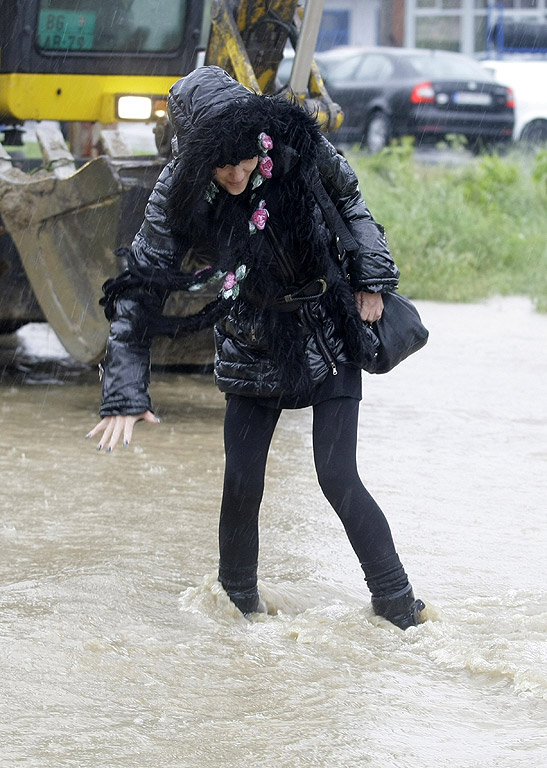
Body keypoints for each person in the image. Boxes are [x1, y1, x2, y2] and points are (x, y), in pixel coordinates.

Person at [86, 66, 426, 630]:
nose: (238, 172)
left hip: (325, 327)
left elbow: (351, 202)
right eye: (223, 165)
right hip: (250, 339)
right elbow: (140, 287)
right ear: (199, 161)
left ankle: (398, 608)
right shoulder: (176, 193)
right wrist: (124, 390)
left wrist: (372, 276)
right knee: (242, 482)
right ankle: (239, 609)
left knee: (337, 475)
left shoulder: (296, 145)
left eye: (246, 159)